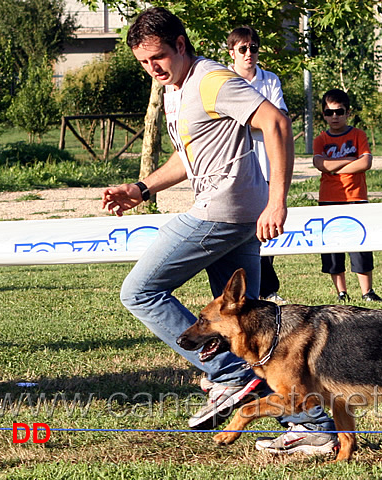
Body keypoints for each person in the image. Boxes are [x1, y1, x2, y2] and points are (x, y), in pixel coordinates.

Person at [101, 7, 337, 455]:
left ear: (181, 46)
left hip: (224, 213)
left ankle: (230, 376)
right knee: (252, 326)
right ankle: (314, 427)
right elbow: (187, 159)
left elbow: (276, 122)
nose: (152, 69)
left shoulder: (212, 80)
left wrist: (278, 200)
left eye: (158, 58)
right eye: (143, 62)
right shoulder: (177, 89)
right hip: (235, 217)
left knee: (139, 291)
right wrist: (141, 187)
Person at [227, 25, 287, 305]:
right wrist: (262, 122)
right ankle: (240, 290)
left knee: (266, 231)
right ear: (232, 52)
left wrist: (257, 123)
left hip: (265, 167)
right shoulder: (225, 80)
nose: (249, 53)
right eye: (243, 48)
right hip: (235, 170)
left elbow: (278, 121)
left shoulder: (270, 80)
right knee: (240, 233)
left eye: (253, 48)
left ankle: (266, 288)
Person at [312, 88, 382, 303]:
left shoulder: (358, 135)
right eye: (329, 112)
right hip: (329, 198)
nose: (335, 117)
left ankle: (367, 291)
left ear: (347, 112)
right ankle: (341, 292)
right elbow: (319, 164)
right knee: (332, 248)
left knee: (360, 245)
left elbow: (366, 162)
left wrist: (334, 167)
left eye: (339, 112)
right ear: (323, 114)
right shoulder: (320, 139)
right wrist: (349, 161)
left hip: (356, 197)